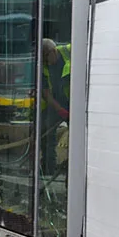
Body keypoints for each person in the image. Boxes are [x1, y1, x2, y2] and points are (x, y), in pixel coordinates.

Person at [41, 38, 71, 175]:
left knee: (77, 137)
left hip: (74, 103)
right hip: (57, 104)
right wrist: (59, 109)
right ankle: (49, 168)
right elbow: (45, 92)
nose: (47, 63)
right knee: (45, 132)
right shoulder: (45, 67)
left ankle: (72, 169)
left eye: (47, 59)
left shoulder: (71, 51)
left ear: (53, 51)